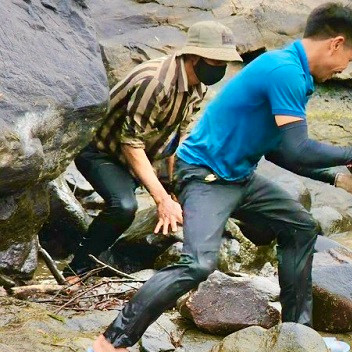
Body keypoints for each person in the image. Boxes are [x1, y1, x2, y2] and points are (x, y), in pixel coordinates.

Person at [86, 3, 352, 352]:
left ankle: (298, 336)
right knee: (198, 264)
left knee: (300, 227)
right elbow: (298, 148)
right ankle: (111, 344)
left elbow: (279, 150)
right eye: (350, 57)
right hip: (203, 175)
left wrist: (338, 180)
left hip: (238, 176)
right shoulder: (284, 71)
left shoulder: (295, 73)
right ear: (336, 43)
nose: (345, 67)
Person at [63, 21, 243, 282]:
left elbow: (180, 137)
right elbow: (130, 143)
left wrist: (177, 186)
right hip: (103, 152)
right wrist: (162, 200)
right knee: (124, 206)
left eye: (224, 63)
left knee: (198, 189)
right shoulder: (155, 82)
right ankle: (76, 270)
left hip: (148, 153)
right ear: (194, 56)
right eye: (216, 62)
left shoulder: (199, 86)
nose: (221, 69)